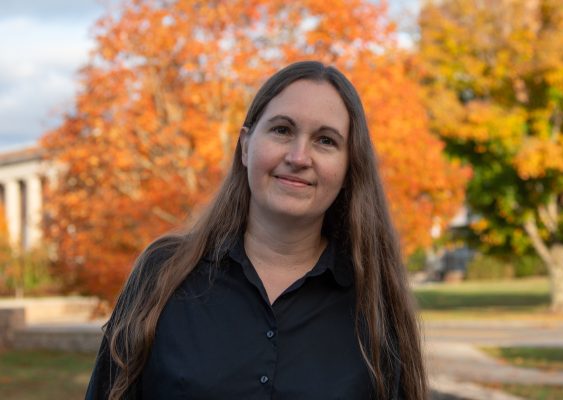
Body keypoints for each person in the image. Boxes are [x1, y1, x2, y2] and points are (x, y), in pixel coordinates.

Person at [85, 61, 427, 400]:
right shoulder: (164, 274)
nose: (298, 156)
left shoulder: (374, 299)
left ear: (349, 166)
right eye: (282, 130)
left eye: (325, 140)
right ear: (246, 145)